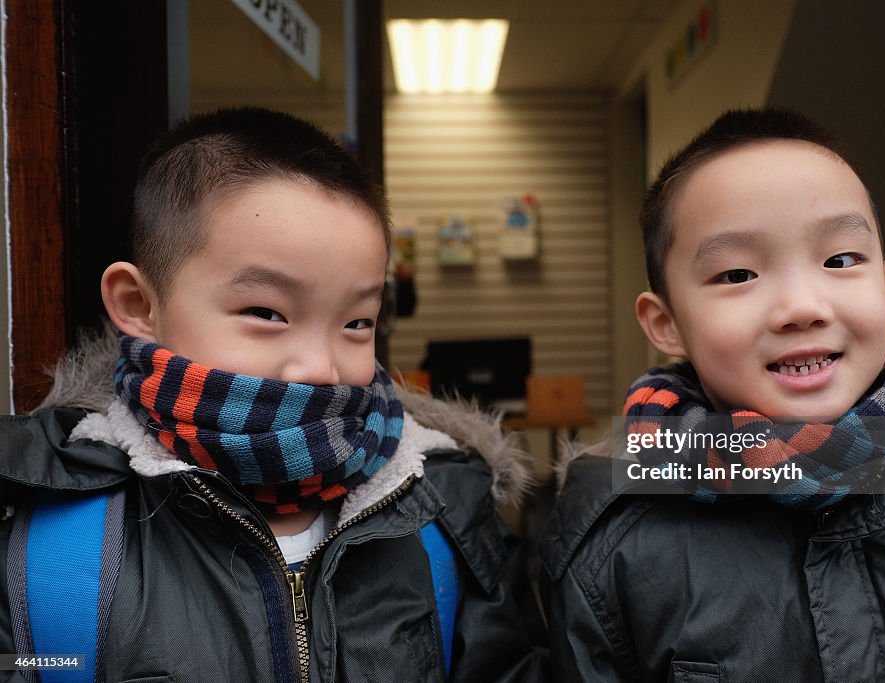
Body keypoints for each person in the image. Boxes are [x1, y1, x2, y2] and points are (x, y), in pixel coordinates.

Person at [0, 107, 547, 681]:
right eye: (266, 313)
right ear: (139, 305)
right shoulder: (41, 523)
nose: (319, 368)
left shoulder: (443, 507)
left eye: (358, 322)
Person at [540, 107, 885, 681]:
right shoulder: (611, 536)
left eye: (841, 260)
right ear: (666, 322)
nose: (801, 307)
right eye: (738, 274)